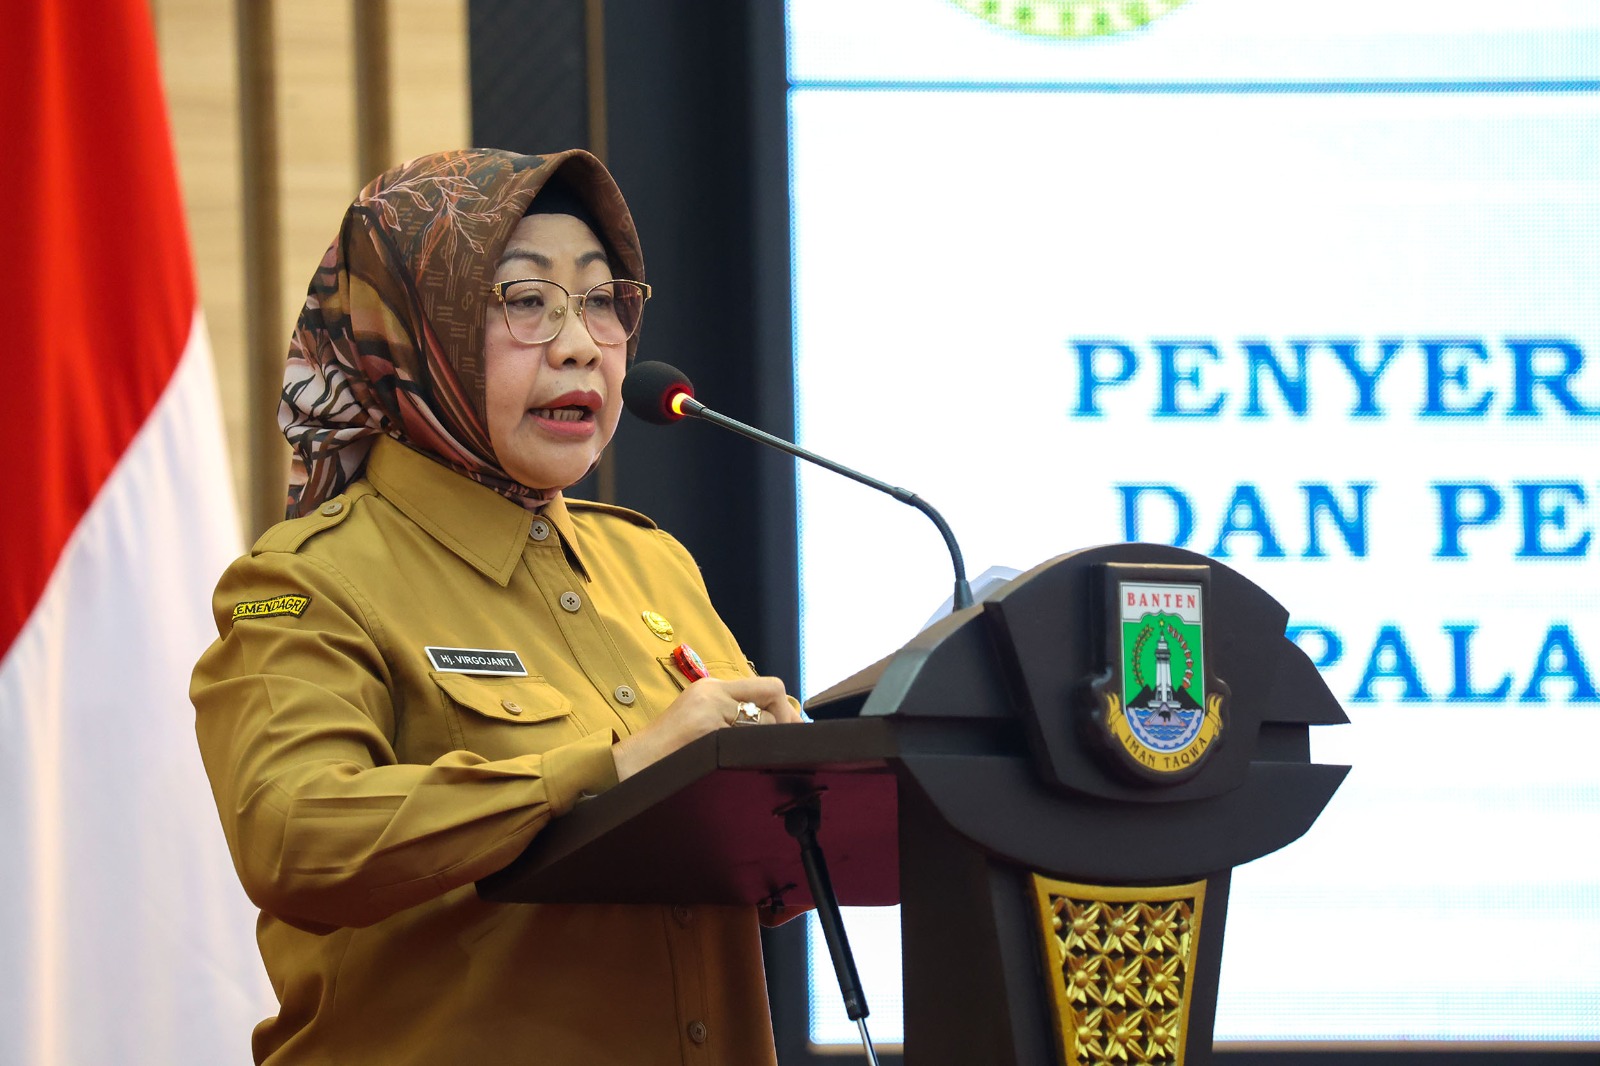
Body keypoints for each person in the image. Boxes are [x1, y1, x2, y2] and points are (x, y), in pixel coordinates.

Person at [191, 147, 802, 1066]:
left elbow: (751, 888)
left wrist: (790, 800)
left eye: (602, 300)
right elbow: (292, 835)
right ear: (412, 330)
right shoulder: (305, 581)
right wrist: (602, 772)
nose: (580, 344)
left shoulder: (653, 566)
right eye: (526, 300)